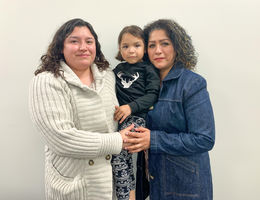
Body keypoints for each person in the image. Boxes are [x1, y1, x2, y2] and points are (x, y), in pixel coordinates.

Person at [29, 18, 134, 200]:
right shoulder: (46, 81)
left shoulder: (108, 76)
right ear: (60, 47)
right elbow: (61, 138)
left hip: (110, 184)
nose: (83, 47)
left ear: (96, 46)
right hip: (74, 187)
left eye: (89, 41)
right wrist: (117, 140)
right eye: (74, 41)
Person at [124, 19, 215, 200]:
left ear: (177, 47)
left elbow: (205, 139)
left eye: (165, 43)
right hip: (152, 182)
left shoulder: (192, 84)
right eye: (151, 45)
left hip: (185, 186)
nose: (158, 50)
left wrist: (153, 139)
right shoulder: (141, 84)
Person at [111, 25, 160, 200]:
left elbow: (153, 95)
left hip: (138, 119)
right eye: (125, 46)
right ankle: (130, 193)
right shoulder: (117, 70)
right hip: (119, 122)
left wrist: (130, 107)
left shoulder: (148, 69)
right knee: (120, 159)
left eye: (137, 45)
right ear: (119, 48)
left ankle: (128, 197)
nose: (131, 50)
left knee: (118, 156)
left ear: (145, 47)